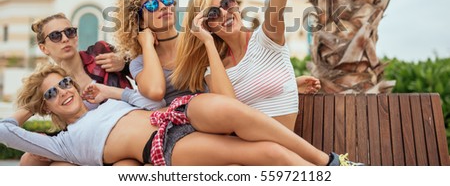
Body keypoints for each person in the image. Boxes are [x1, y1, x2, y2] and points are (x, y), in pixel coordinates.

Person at [0, 63, 361, 166]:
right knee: (268, 155)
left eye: (64, 83)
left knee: (227, 108)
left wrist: (111, 91)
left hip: (176, 113)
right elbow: (5, 131)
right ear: (44, 106)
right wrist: (32, 103)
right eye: (52, 92)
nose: (63, 90)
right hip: (162, 146)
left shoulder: (109, 104)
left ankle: (329, 162)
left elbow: (148, 103)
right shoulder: (61, 143)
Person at [172, 0, 320, 130]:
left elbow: (275, 10)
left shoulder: (266, 39)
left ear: (236, 4)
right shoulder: (215, 69)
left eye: (227, 3)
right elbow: (230, 112)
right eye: (214, 13)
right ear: (207, 26)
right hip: (245, 151)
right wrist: (208, 43)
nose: (225, 12)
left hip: (276, 152)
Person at [20, 12, 135, 166]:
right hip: (87, 143)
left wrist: (125, 63)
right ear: (43, 48)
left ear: (76, 36)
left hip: (124, 131)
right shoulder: (51, 84)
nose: (65, 39)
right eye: (55, 36)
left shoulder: (100, 53)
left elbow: (147, 75)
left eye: (70, 32)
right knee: (29, 160)